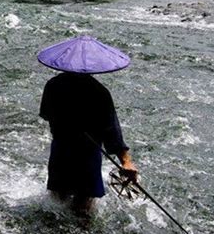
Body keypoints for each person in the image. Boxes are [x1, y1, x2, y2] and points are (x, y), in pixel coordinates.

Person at [37, 36, 138, 216]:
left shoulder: (52, 85)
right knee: (84, 210)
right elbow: (112, 132)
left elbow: (46, 115)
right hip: (87, 156)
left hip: (60, 150)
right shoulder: (100, 93)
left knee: (56, 204)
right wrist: (126, 161)